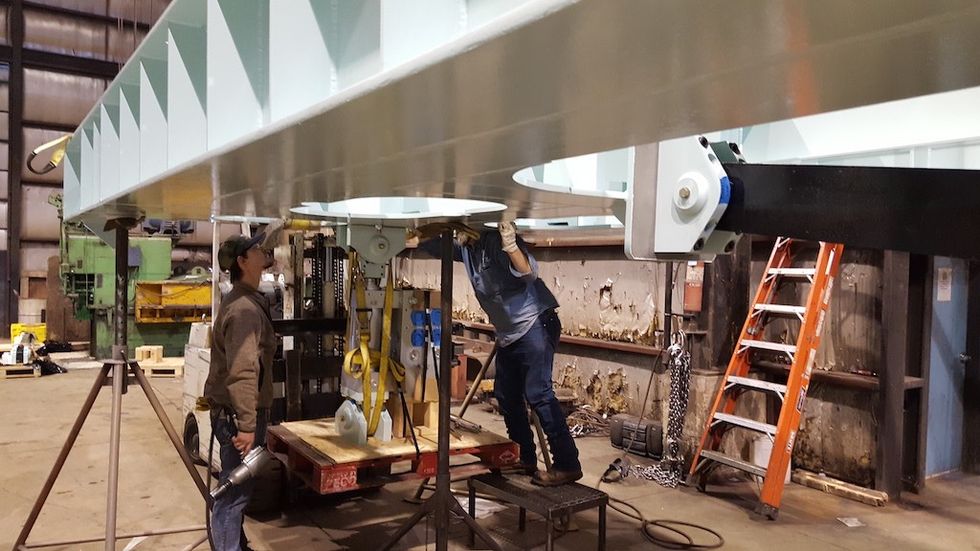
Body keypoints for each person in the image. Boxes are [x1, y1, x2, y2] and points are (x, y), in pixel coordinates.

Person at [417, 217, 582, 486]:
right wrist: (417, 230)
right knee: (506, 395)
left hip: (534, 324)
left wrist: (511, 245)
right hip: (510, 333)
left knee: (539, 394)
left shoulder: (493, 241)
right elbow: (436, 247)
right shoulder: (467, 248)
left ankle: (567, 464)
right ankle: (524, 456)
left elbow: (528, 272)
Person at [204, 226, 279, 551]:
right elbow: (243, 371)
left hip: (234, 412)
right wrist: (247, 425)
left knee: (237, 488)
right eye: (256, 249)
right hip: (238, 416)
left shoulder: (243, 300)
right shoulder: (245, 310)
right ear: (242, 261)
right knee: (234, 494)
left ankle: (236, 544)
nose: (263, 252)